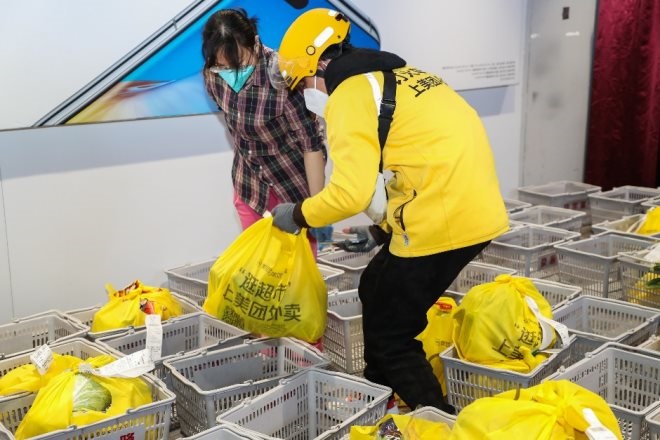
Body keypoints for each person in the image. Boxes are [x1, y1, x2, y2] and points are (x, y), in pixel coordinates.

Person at [271, 8, 509, 412]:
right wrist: (382, 230)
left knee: (392, 337)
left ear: (318, 66)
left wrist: (297, 215)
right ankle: (381, 391)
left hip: (440, 219)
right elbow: (417, 160)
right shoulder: (399, 75)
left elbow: (349, 192)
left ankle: (439, 423)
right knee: (375, 285)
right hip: (472, 208)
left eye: (303, 84)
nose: (307, 96)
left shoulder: (348, 95)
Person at [201, 9, 327, 254]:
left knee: (298, 264)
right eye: (222, 66)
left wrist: (316, 209)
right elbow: (233, 125)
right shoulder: (212, 74)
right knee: (257, 263)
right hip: (249, 181)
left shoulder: (282, 75)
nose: (230, 73)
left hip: (292, 180)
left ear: (254, 43)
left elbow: (311, 145)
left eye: (239, 63)